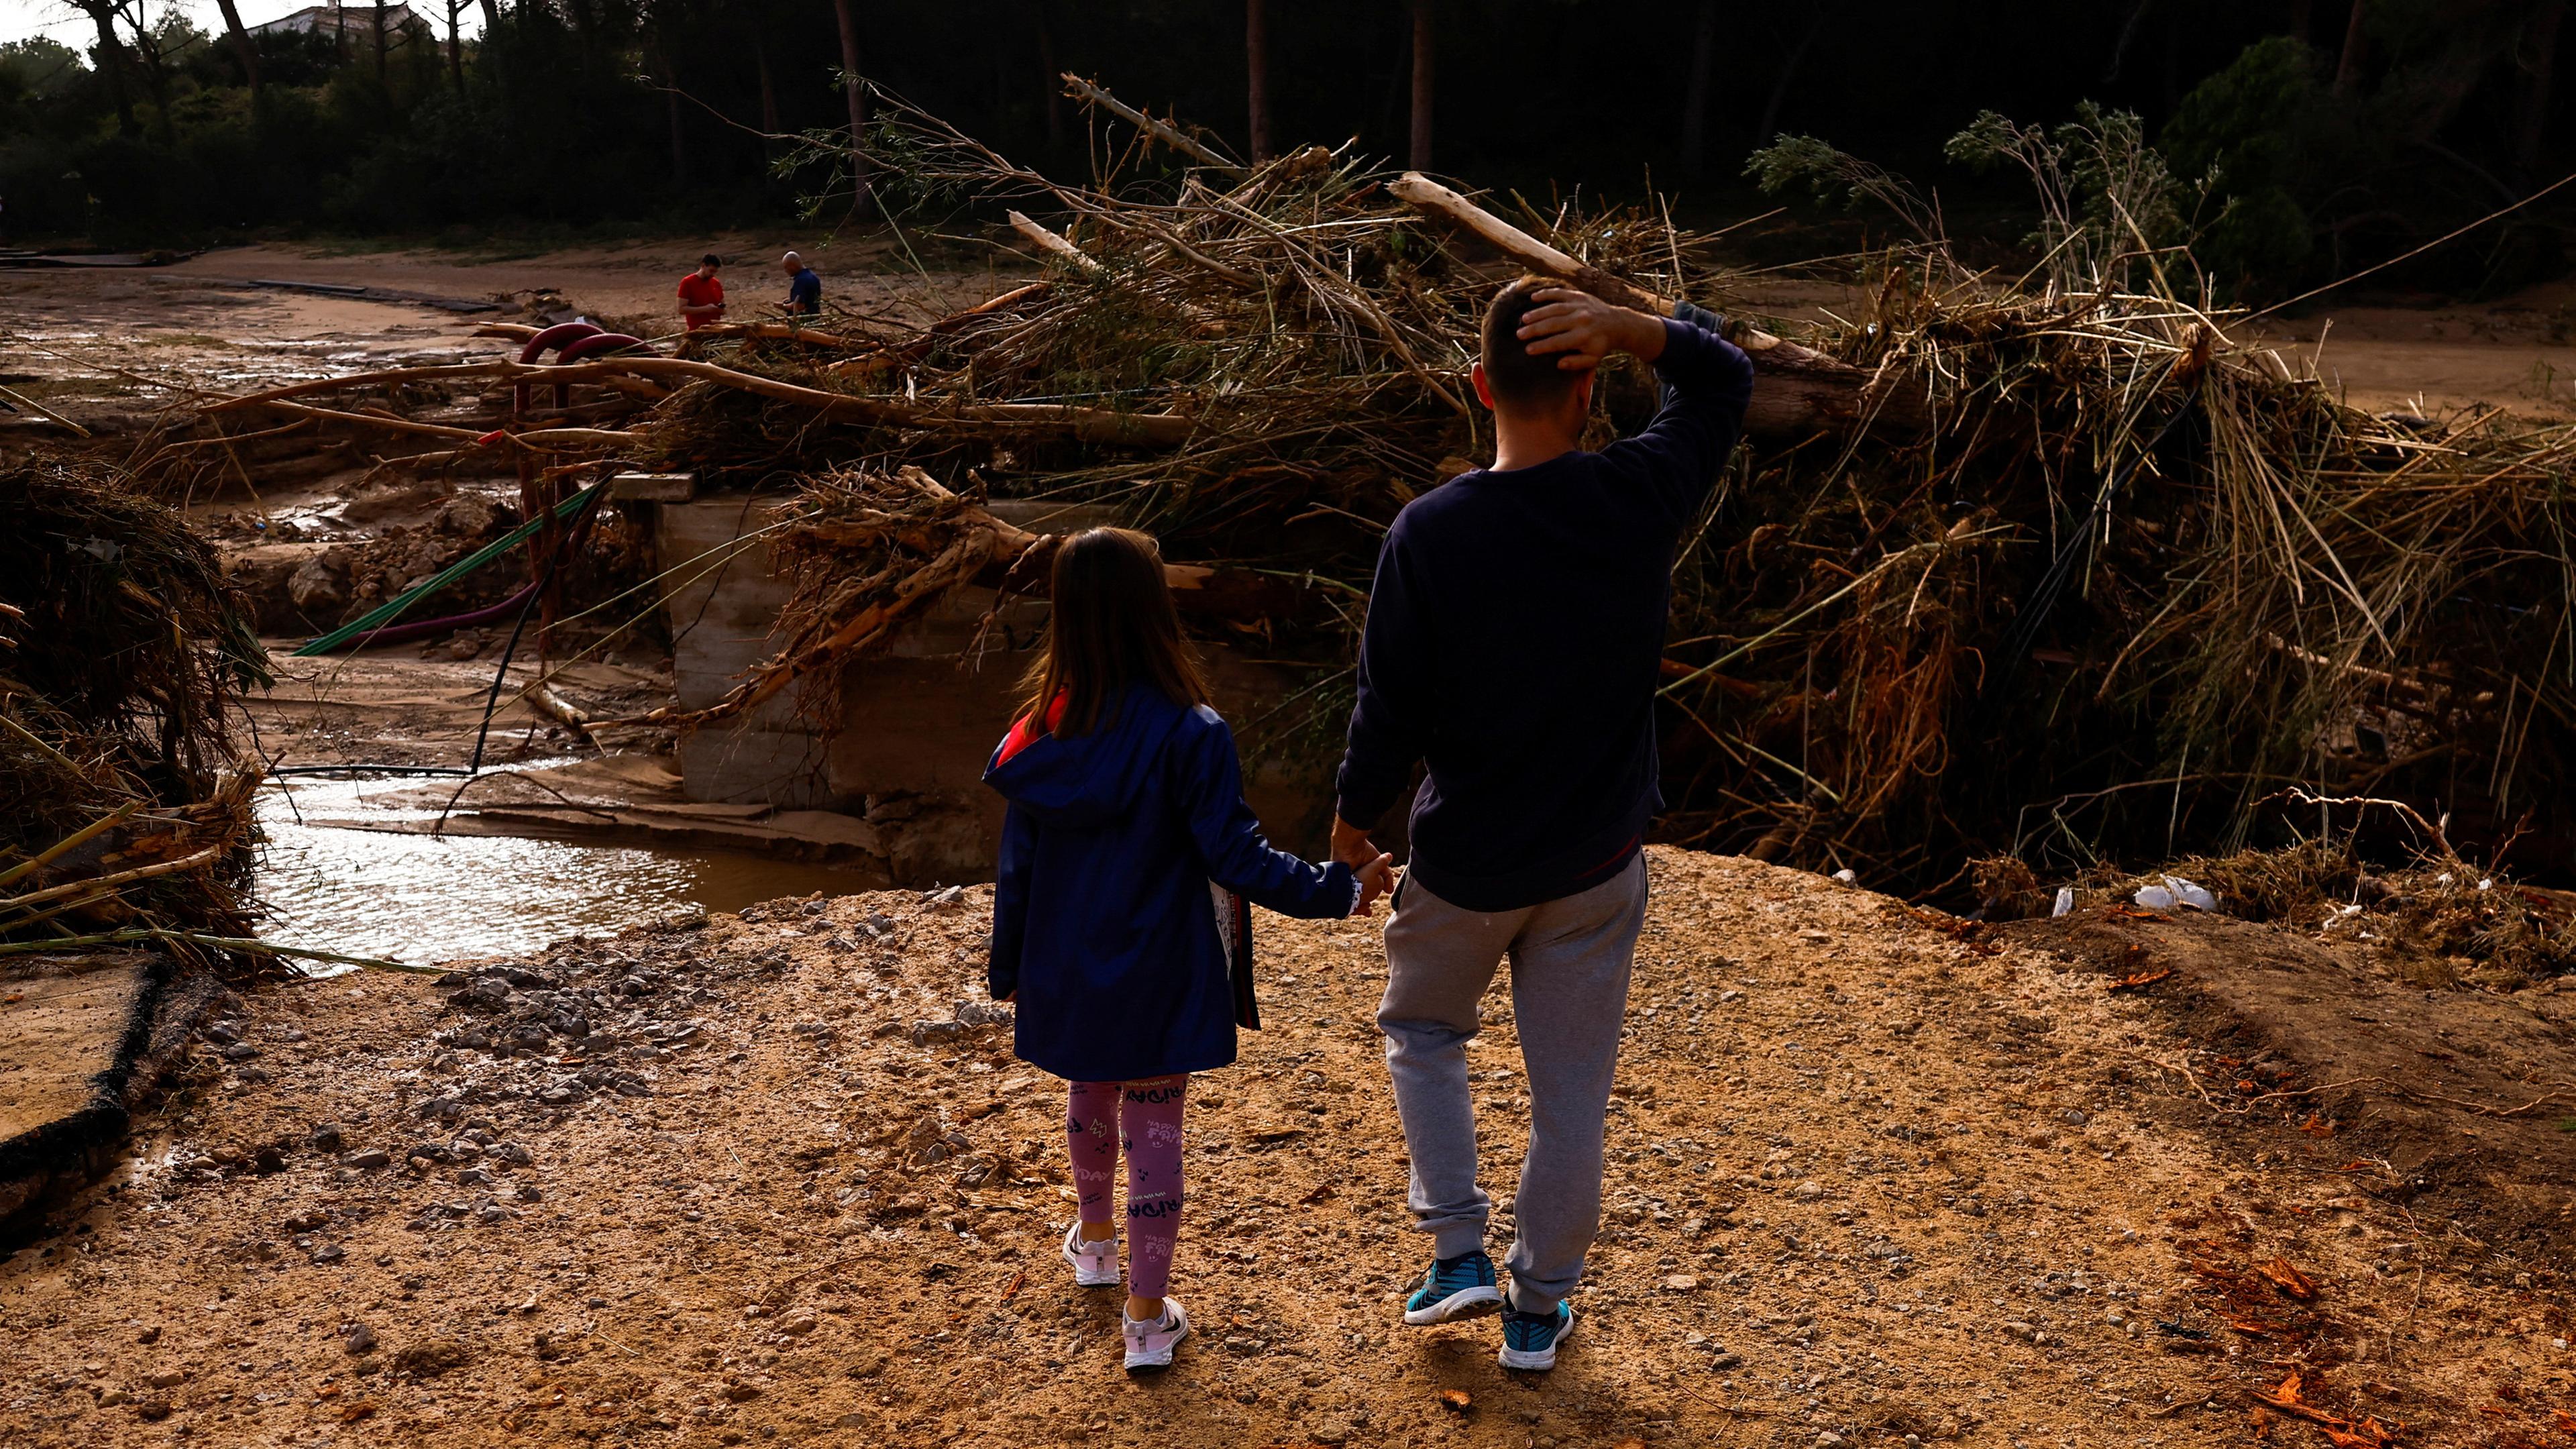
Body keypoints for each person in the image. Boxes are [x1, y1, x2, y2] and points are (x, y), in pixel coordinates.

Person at [1331, 280, 1754, 1371]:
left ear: (1479, 389)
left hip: (1467, 862)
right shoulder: (1637, 494)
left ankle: (1459, 1255)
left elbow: (1390, 705)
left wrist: (1351, 819)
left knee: (1424, 1032)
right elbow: (1725, 377)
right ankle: (1537, 1311)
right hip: (1595, 861)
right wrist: (1635, 331)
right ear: (1587, 391)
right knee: (1572, 1098)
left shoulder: (1428, 534)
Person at [984, 527, 1395, 1375]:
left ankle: (1095, 1243)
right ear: (1153, 608)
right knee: (1157, 1126)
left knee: (1089, 1086)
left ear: (1064, 616)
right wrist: (1341, 889)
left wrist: (1011, 967)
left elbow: (1016, 866)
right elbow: (1235, 856)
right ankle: (1145, 1319)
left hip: (1066, 962)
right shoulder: (1191, 731)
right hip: (1162, 967)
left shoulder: (1037, 737)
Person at [676, 254, 725, 331]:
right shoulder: (688, 282)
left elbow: (723, 309)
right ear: (703, 266)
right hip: (697, 331)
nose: (712, 274)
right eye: (711, 271)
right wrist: (705, 309)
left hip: (716, 330)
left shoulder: (716, 283)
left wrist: (719, 309)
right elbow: (681, 309)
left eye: (715, 272)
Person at [781, 250, 821, 315]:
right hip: (815, 315)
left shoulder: (801, 280)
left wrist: (783, 307)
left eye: (786, 267)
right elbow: (809, 299)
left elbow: (799, 306)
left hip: (804, 319)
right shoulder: (812, 276)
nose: (785, 271)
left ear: (792, 266)